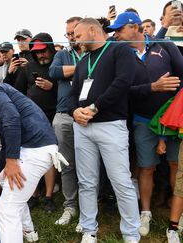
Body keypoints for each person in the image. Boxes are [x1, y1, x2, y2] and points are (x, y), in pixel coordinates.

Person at [0, 63, 62, 243]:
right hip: (34, 148)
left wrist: (12, 160)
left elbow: (12, 118)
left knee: (7, 209)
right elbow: (8, 139)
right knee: (13, 194)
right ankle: (29, 233)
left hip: (35, 150)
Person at [109, 11, 183, 237]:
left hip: (171, 120)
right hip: (142, 119)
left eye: (119, 30)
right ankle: (146, 212)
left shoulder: (165, 45)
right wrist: (153, 87)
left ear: (134, 27)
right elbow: (121, 91)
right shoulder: (121, 54)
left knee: (175, 165)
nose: (117, 35)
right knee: (146, 167)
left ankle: (177, 213)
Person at [69, 18, 141, 242]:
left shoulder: (119, 50)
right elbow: (72, 95)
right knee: (86, 181)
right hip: (83, 127)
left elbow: (122, 82)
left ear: (93, 30)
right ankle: (89, 228)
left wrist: (94, 107)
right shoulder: (82, 61)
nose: (76, 41)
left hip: (110, 126)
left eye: (78, 36)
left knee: (121, 181)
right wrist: (74, 112)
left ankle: (131, 233)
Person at [12, 32, 58, 213]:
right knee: (30, 156)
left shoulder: (57, 65)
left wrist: (51, 87)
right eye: (37, 52)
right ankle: (33, 195)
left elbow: (67, 93)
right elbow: (18, 92)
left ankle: (49, 197)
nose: (41, 55)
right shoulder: (27, 68)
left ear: (51, 48)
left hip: (53, 115)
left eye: (44, 51)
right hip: (31, 119)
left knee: (50, 157)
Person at [49, 16, 83, 226]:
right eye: (68, 34)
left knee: (90, 165)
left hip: (91, 116)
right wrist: (84, 68)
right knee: (67, 164)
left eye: (74, 33)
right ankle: (70, 206)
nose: (71, 37)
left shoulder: (94, 52)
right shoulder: (62, 53)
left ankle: (90, 205)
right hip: (63, 115)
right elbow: (54, 72)